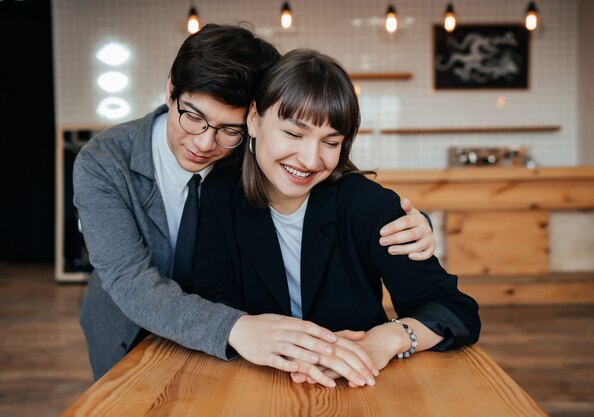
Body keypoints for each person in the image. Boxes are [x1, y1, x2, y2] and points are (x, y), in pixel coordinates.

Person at [73, 24, 437, 384]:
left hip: (237, 347)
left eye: (228, 130)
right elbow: (130, 281)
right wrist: (238, 328)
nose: (203, 144)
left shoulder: (252, 155)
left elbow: (323, 173)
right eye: (193, 117)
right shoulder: (104, 162)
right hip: (132, 328)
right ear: (171, 91)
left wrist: (410, 223)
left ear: (251, 119)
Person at [184, 49, 481, 387]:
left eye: (331, 141)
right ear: (254, 119)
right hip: (253, 381)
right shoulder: (220, 194)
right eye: (294, 134)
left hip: (359, 384)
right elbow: (211, 298)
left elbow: (454, 309)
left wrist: (386, 339)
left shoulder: (369, 206)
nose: (310, 159)